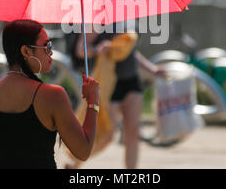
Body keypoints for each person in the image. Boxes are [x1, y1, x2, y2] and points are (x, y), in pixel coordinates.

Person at [0, 19, 100, 169]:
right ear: (26, 51)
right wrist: (93, 103)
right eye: (47, 46)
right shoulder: (53, 96)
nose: (51, 52)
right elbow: (83, 150)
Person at [65, 25, 166, 169]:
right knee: (107, 134)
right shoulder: (96, 23)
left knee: (133, 132)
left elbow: (131, 52)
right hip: (109, 85)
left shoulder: (125, 21)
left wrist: (152, 69)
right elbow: (81, 50)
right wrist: (99, 49)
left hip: (131, 80)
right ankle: (76, 163)